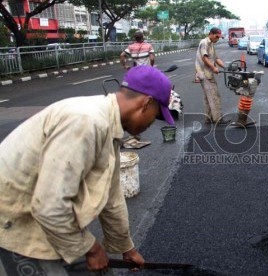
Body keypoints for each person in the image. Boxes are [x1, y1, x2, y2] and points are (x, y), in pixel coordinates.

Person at [0, 65, 174, 275]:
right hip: (15, 221)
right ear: (147, 103)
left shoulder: (111, 128)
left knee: (97, 269)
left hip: (49, 218)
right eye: (156, 116)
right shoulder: (86, 122)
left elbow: (112, 197)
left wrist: (125, 248)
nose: (150, 124)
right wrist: (90, 249)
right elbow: (49, 205)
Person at [195, 27, 229, 125]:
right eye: (216, 37)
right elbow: (204, 58)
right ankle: (218, 119)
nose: (217, 39)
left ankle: (208, 118)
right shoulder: (204, 43)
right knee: (214, 96)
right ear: (211, 34)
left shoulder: (211, 44)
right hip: (205, 74)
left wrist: (225, 67)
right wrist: (213, 68)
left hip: (208, 74)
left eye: (219, 37)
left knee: (208, 97)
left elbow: (216, 58)